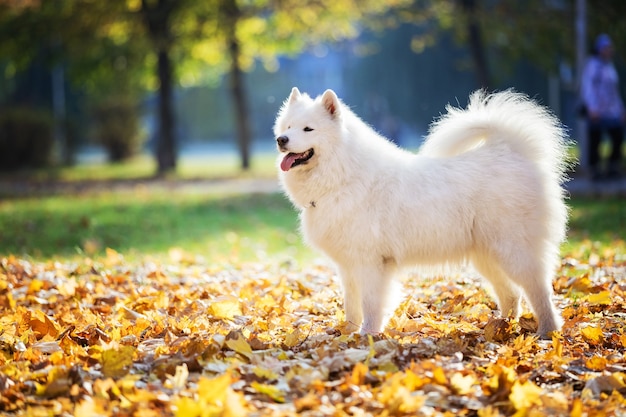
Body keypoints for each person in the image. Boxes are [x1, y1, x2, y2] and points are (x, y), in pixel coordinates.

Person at [580, 33, 625, 180]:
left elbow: (614, 91)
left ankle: (612, 167)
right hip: (597, 111)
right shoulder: (593, 65)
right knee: (595, 140)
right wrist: (592, 108)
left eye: (610, 47)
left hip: (611, 111)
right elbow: (588, 88)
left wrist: (621, 110)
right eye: (606, 47)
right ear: (599, 49)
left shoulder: (609, 66)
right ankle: (595, 171)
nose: (609, 50)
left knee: (617, 136)